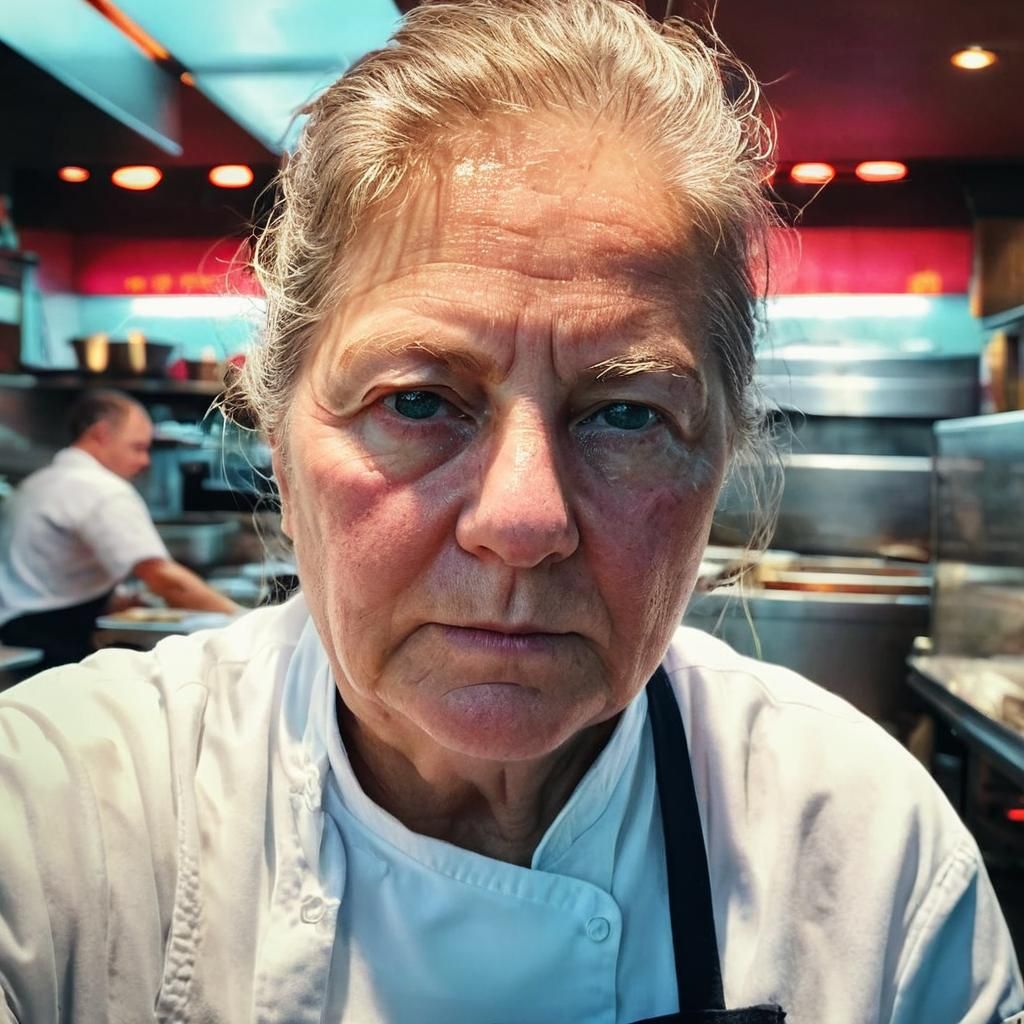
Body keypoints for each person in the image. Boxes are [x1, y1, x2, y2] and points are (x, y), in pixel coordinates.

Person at [1, 2, 1021, 1021]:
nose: (524, 519)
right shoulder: (62, 815)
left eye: (625, 414)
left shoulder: (871, 863)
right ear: (274, 424)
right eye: (417, 402)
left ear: (720, 455)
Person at [0, 388, 237, 669]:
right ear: (100, 435)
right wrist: (240, 617)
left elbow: (52, 578)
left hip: (16, 632)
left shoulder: (39, 482)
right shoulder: (101, 489)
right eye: (137, 447)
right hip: (49, 642)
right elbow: (164, 579)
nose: (145, 461)